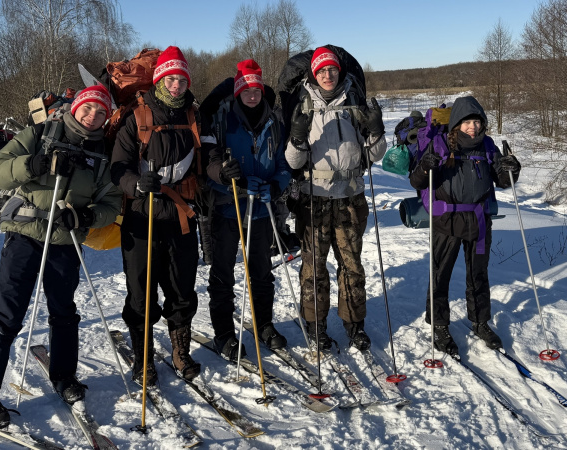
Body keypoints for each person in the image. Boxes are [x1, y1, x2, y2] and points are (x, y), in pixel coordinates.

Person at [0, 85, 123, 428]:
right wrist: (34, 164)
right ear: (75, 107)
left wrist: (86, 217)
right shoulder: (40, 134)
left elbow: (111, 203)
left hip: (65, 240)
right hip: (25, 234)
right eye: (88, 108)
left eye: (101, 112)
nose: (93, 116)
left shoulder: (103, 153)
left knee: (64, 312)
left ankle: (64, 377)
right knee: (7, 315)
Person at [111, 46, 213, 384]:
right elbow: (117, 167)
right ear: (158, 80)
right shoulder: (136, 116)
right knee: (141, 293)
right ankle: (143, 358)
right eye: (169, 79)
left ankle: (180, 351)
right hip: (142, 216)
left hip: (181, 215)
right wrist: (136, 184)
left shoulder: (194, 116)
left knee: (182, 288)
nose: (175, 85)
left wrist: (221, 169)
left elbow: (208, 156)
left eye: (181, 80)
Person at [284, 46, 387, 351]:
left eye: (332, 69)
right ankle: (315, 324)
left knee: (351, 265)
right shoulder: (302, 106)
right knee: (313, 268)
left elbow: (374, 155)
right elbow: (292, 162)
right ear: (314, 74)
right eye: (322, 70)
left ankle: (354, 324)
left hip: (350, 198)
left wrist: (376, 132)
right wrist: (297, 138)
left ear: (339, 72)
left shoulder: (355, 103)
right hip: (313, 199)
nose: (328, 75)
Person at [409, 95, 521, 355]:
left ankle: (480, 322)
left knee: (478, 275)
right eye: (467, 122)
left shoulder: (487, 145)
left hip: (478, 220)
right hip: (446, 220)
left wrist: (512, 169)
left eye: (477, 122)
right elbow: (417, 182)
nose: (472, 127)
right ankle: (439, 325)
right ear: (457, 124)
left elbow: (503, 180)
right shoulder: (440, 144)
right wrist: (425, 167)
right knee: (440, 274)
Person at [201, 59, 291, 360]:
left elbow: (282, 164)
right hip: (228, 209)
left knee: (262, 273)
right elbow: (208, 167)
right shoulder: (222, 121)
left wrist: (276, 186)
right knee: (223, 275)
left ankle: (264, 325)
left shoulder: (274, 123)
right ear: (238, 92)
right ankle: (224, 334)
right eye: (246, 90)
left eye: (256, 90)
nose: (252, 95)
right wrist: (231, 182)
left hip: (262, 209)